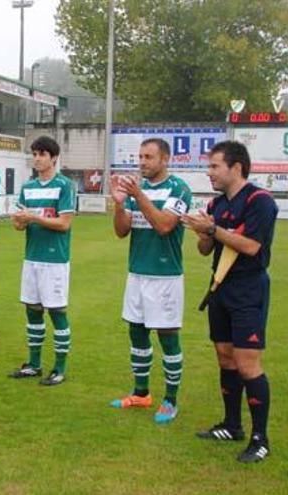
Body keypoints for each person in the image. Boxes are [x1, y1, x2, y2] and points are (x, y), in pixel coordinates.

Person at [182, 141, 278, 463]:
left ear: (236, 167)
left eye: (214, 167)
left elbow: (251, 247)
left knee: (248, 363)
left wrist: (212, 228)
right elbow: (206, 251)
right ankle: (232, 425)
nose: (209, 173)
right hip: (220, 288)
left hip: (249, 290)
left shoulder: (260, 202)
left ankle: (260, 438)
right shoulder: (217, 204)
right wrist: (204, 233)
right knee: (225, 357)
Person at [109, 138, 192, 424]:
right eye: (140, 157)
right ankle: (141, 393)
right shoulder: (136, 189)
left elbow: (164, 225)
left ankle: (170, 399)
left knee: (167, 336)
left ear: (165, 159)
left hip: (165, 276)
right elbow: (122, 232)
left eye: (149, 157)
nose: (142, 162)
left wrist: (137, 195)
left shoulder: (179, 188)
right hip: (137, 273)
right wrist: (120, 205)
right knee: (137, 333)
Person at [9, 136, 77, 385]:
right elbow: (18, 224)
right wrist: (19, 219)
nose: (36, 158)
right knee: (33, 310)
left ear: (54, 158)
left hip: (55, 260)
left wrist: (33, 218)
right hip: (32, 258)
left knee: (57, 312)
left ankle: (59, 368)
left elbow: (64, 223)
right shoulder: (28, 187)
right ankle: (34, 364)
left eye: (42, 154)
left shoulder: (65, 185)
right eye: (34, 154)